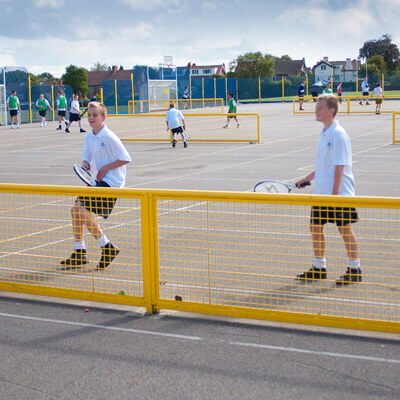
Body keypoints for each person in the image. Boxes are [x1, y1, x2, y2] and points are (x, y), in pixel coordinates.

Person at [295, 94, 361, 285]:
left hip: (339, 195)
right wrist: (306, 179)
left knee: (345, 230)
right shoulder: (324, 133)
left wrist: (334, 196)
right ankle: (319, 267)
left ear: (331, 111)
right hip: (322, 194)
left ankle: (355, 268)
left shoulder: (338, 134)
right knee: (315, 227)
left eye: (320, 108)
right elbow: (325, 166)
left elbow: (340, 166)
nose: (316, 111)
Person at [60, 101, 132, 270]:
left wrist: (105, 169)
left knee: (78, 209)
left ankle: (106, 247)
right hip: (98, 182)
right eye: (89, 115)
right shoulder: (89, 137)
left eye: (95, 115)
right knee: (75, 210)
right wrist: (85, 164)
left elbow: (126, 158)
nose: (91, 118)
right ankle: (80, 252)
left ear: (103, 117)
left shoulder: (109, 136)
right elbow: (87, 158)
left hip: (112, 183)